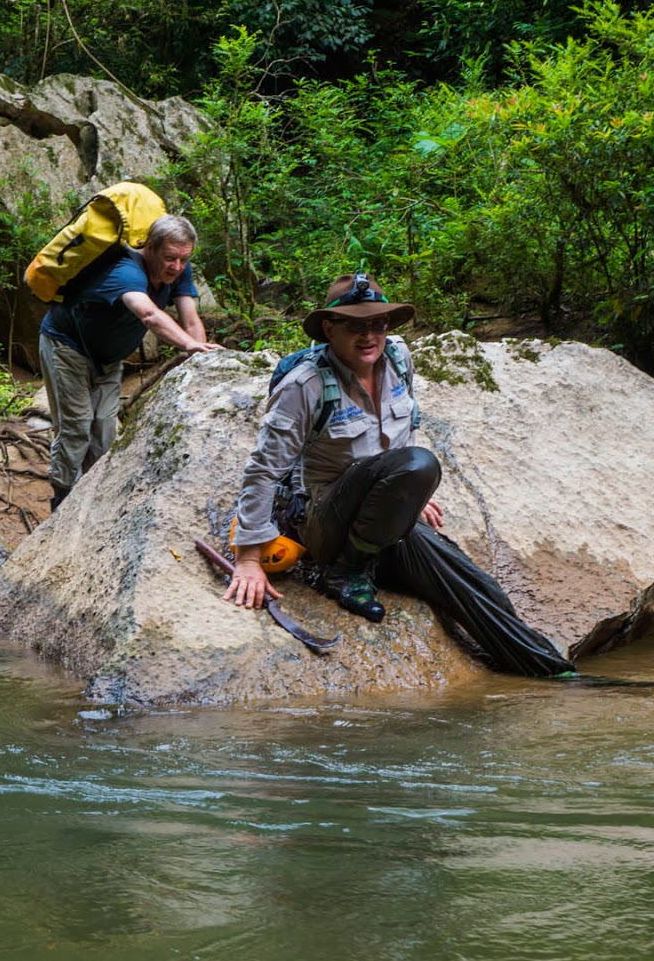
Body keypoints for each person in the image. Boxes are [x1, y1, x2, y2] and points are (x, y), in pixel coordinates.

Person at [223, 273, 574, 677]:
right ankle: (344, 574)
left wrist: (406, 495)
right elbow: (263, 469)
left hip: (378, 518)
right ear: (329, 329)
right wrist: (248, 557)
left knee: (484, 591)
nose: (369, 335)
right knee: (420, 463)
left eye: (378, 324)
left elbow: (403, 429)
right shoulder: (306, 384)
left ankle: (554, 675)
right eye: (355, 325)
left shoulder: (398, 359)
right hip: (325, 519)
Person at [38, 214, 221, 509]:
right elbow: (148, 314)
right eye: (169, 258)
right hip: (66, 347)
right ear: (149, 247)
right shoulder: (125, 271)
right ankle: (62, 500)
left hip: (109, 360)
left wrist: (197, 352)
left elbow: (190, 318)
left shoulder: (178, 271)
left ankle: (93, 498)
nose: (176, 267)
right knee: (76, 427)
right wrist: (189, 345)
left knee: (104, 431)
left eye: (184, 259)